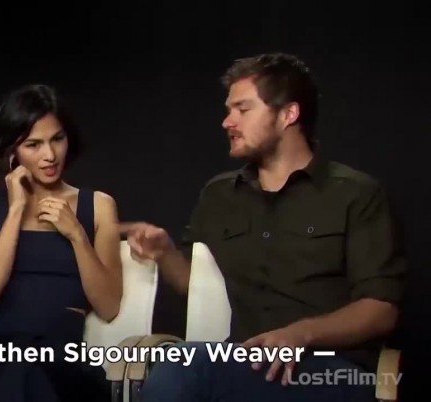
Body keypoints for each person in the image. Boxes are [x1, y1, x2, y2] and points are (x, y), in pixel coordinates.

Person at [120, 53, 406, 401]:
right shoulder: (220, 195)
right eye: (228, 110)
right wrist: (165, 253)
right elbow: (194, 285)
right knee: (177, 365)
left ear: (288, 114)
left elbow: (380, 310)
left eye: (242, 109)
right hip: (246, 365)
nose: (227, 121)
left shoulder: (355, 193)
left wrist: (300, 335)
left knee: (186, 369)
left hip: (330, 369)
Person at [0, 84, 123, 402]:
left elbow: (108, 306)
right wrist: (16, 209)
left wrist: (77, 234)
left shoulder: (99, 206)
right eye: (33, 144)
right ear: (12, 152)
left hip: (59, 353)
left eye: (57, 139)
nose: (50, 155)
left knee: (26, 372)